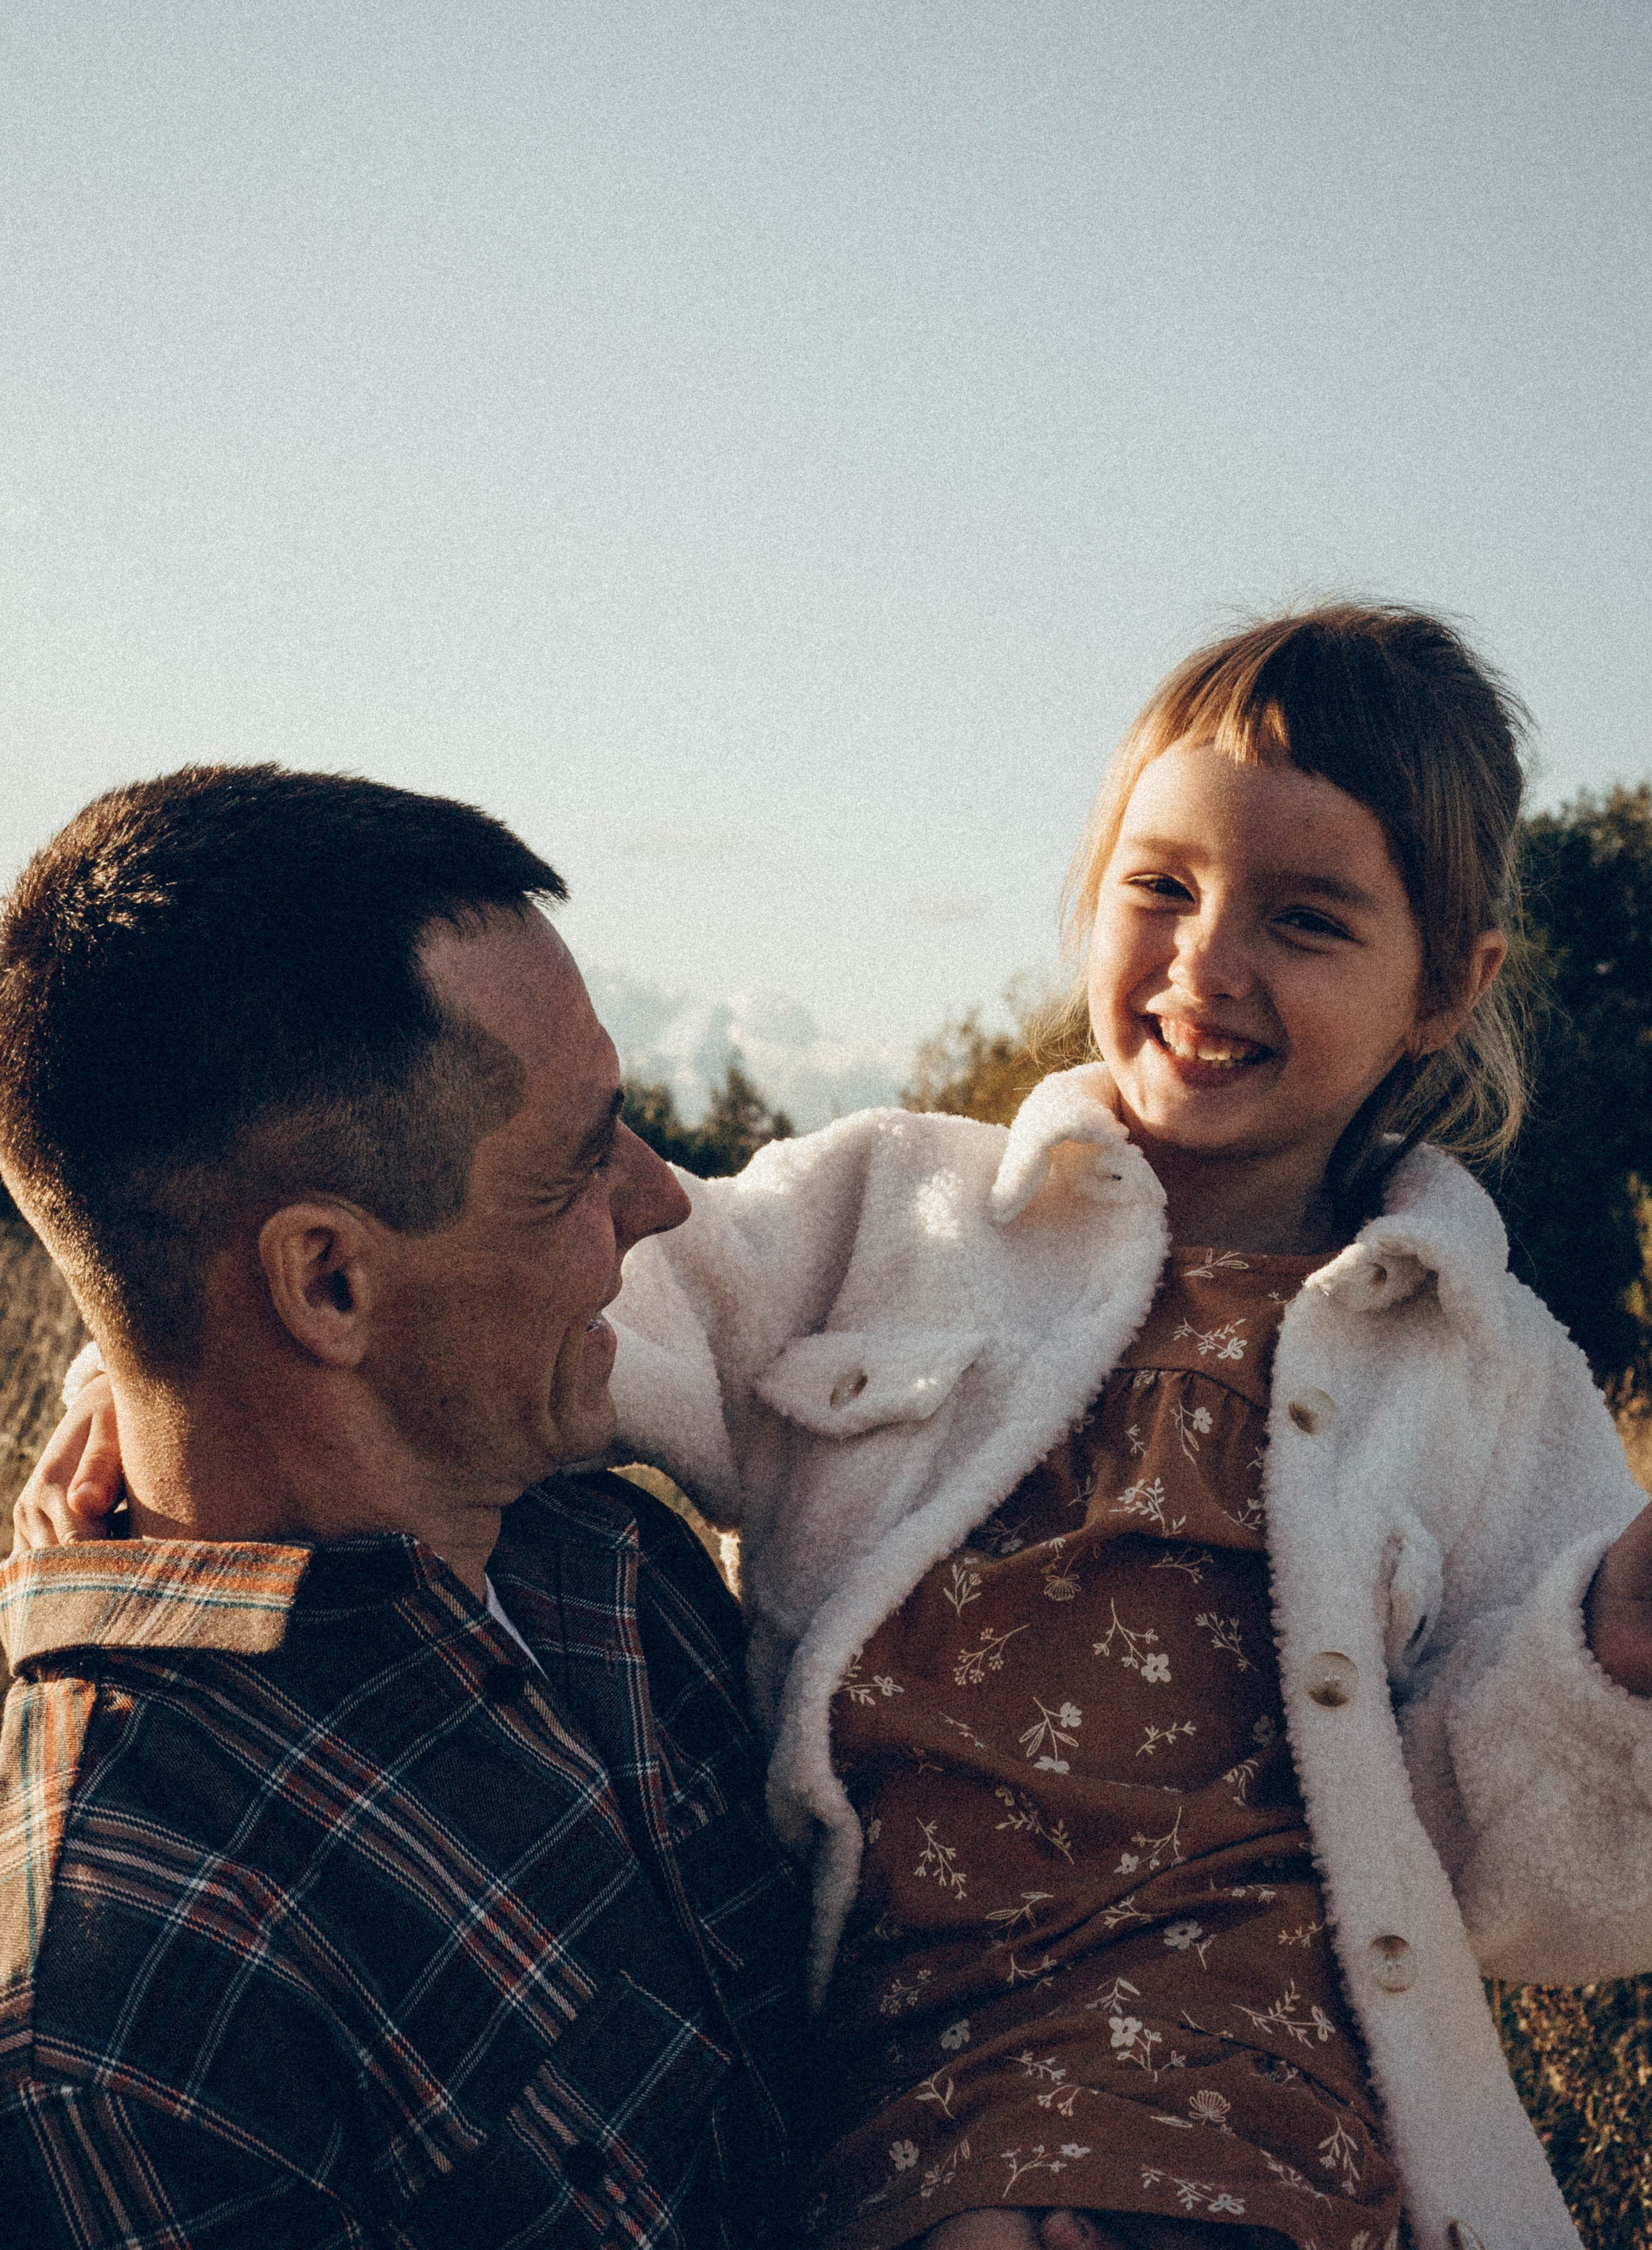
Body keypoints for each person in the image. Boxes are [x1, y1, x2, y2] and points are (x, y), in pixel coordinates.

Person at [23, 607, 1652, 2250]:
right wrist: (140, 1374)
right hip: (916, 2060)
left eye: (1304, 920)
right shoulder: (890, 1216)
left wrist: (1611, 1668)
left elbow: (1533, 1885)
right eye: (1159, 885)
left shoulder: (1488, 1370)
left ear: (1446, 986)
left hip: (1263, 2068)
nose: (1205, 962)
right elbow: (524, 1319)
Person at [0, 767, 812, 2248]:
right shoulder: (115, 2013)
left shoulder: (612, 1561)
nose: (659, 1201)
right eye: (576, 1165)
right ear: (330, 1282)